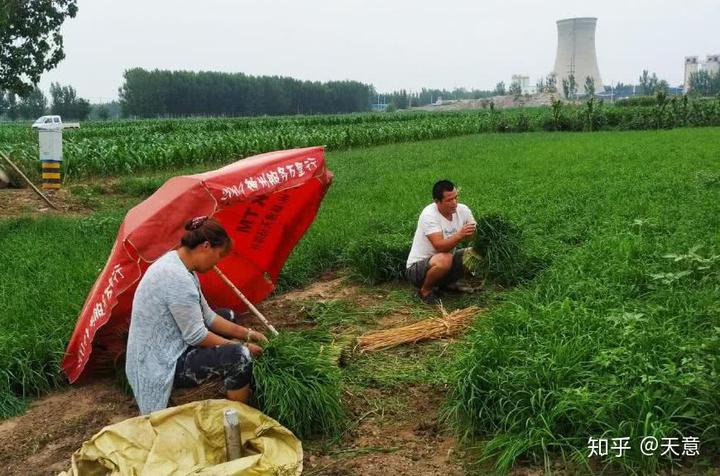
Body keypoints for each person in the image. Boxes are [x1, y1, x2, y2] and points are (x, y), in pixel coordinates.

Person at [126, 216, 268, 415]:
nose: (217, 262)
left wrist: (249, 334)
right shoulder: (176, 278)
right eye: (219, 255)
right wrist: (242, 346)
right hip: (161, 362)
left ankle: (230, 384)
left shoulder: (181, 266)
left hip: (172, 342)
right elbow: (196, 335)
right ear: (206, 246)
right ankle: (241, 418)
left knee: (228, 315)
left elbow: (208, 317)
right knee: (240, 357)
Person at [406, 180, 476, 305]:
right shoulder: (429, 215)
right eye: (449, 200)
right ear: (437, 201)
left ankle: (447, 283)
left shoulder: (463, 210)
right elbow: (440, 247)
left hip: (445, 261)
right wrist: (460, 234)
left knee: (473, 254)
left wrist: (472, 233)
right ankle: (425, 291)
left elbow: (473, 236)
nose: (454, 203)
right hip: (418, 270)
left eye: (456, 198)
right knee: (445, 259)